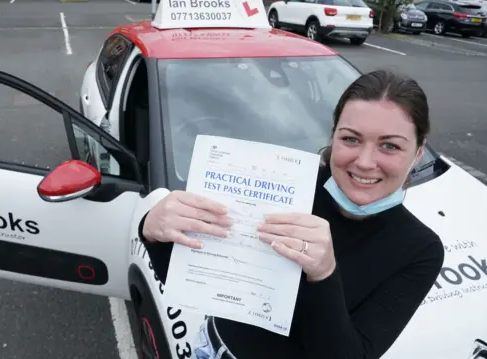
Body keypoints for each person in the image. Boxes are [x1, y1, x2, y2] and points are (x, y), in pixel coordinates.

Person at [135, 69, 446, 359]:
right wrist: (151, 230)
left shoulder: (420, 249)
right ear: (334, 136)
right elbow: (198, 281)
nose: (365, 162)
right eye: (350, 138)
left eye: (389, 146)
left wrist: (324, 274)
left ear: (418, 152)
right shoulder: (286, 185)